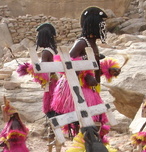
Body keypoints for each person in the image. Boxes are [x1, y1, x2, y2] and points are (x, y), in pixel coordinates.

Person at [51, 7, 124, 140]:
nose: (103, 28)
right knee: (85, 119)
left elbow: (92, 67)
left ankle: (91, 146)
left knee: (94, 120)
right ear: (92, 25)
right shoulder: (82, 43)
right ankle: (83, 146)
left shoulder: (92, 43)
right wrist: (86, 76)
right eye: (101, 24)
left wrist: (108, 70)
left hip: (89, 88)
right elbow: (67, 63)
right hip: (78, 88)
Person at [17, 22, 59, 118]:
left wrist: (29, 69)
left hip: (51, 85)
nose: (37, 39)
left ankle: (53, 131)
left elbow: (43, 72)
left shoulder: (46, 52)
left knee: (50, 110)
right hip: (56, 83)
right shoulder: (54, 50)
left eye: (38, 37)